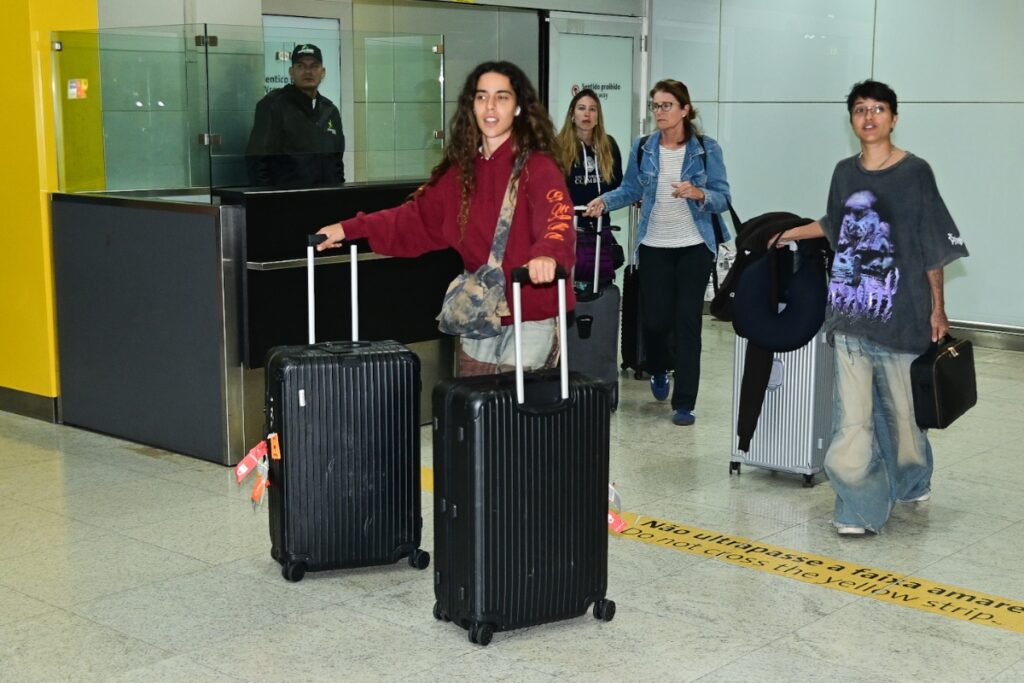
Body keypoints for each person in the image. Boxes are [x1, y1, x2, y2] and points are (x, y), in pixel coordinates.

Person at [776, 80, 968, 536]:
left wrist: (938, 309)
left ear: (894, 118)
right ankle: (858, 506)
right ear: (852, 120)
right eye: (860, 109)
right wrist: (785, 234)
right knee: (854, 417)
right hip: (850, 313)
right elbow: (834, 224)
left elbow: (931, 243)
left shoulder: (915, 171)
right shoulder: (844, 172)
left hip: (904, 313)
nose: (869, 117)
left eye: (878, 109)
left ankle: (912, 478)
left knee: (903, 415)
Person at [315, 61, 574, 376]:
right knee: (478, 413)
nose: (490, 106)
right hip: (480, 313)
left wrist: (547, 254)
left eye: (502, 97)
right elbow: (415, 219)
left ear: (518, 107)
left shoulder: (539, 167)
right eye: (481, 97)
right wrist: (348, 229)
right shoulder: (460, 172)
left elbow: (557, 221)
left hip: (530, 312)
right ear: (471, 106)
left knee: (513, 416)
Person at [585, 79, 732, 426]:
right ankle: (658, 366)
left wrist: (698, 193)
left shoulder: (706, 149)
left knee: (687, 324)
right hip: (654, 245)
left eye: (667, 105)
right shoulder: (643, 148)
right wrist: (605, 202)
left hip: (694, 246)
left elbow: (723, 196)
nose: (660, 112)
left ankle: (685, 402)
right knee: (654, 321)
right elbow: (630, 189)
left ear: (685, 109)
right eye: (655, 105)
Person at [246, 43, 345, 188]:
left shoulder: (330, 110)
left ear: (322, 72)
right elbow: (257, 162)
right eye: (301, 66)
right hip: (287, 203)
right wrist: (267, 201)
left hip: (328, 201)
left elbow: (337, 163)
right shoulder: (274, 105)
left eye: (314, 66)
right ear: (291, 72)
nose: (308, 71)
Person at [555, 88, 623, 291]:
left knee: (600, 288)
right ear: (572, 114)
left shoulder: (609, 145)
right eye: (582, 108)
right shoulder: (557, 147)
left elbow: (618, 185)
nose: (587, 114)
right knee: (568, 288)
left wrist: (605, 202)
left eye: (592, 109)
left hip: (600, 230)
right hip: (569, 231)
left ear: (598, 116)